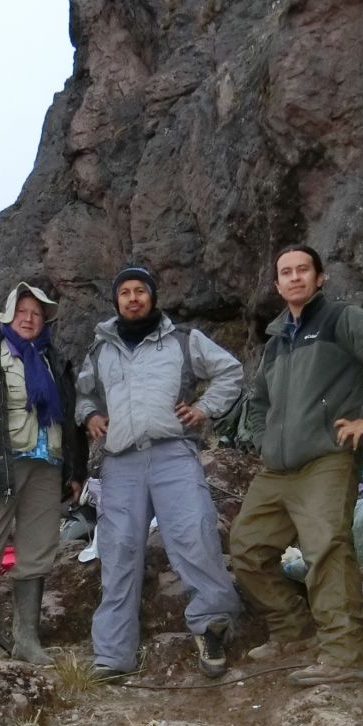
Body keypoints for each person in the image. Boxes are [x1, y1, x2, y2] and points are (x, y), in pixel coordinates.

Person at [230, 245, 363, 686]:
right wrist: (264, 438)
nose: (294, 278)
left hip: (327, 459)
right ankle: (293, 630)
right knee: (246, 549)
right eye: (286, 273)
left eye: (303, 270)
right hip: (277, 469)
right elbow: (258, 401)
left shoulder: (341, 320)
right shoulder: (275, 343)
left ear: (320, 277)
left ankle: (348, 654)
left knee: (326, 547)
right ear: (277, 285)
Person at [76, 265, 244, 679]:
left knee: (195, 534)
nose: (133, 298)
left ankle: (212, 628)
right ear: (116, 301)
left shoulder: (183, 340)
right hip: (120, 463)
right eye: (125, 292)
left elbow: (230, 371)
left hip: (174, 453)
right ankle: (114, 655)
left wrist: (204, 408)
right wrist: (91, 416)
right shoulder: (100, 350)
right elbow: (83, 395)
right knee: (118, 551)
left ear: (152, 296)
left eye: (140, 291)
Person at [0, 281, 86, 666]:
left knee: (38, 552)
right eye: (22, 312)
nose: (29, 319)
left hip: (47, 467)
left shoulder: (54, 361)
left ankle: (27, 640)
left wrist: (75, 471)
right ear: (8, 315)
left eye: (37, 314)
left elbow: (70, 420)